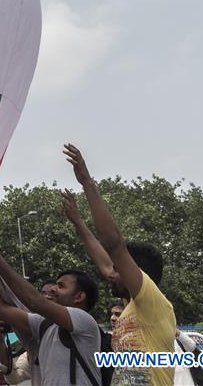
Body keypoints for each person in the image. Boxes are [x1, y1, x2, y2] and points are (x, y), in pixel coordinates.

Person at [63, 144, 176, 386]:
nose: (110, 274)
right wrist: (78, 223)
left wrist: (87, 184)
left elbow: (115, 246)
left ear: (136, 272)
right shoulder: (131, 305)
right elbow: (106, 264)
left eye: (118, 269)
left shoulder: (153, 303)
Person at [0, 232, 103, 386]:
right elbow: (0, 308)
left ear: (79, 297)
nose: (53, 289)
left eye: (61, 286)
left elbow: (34, 302)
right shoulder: (44, 324)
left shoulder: (84, 321)